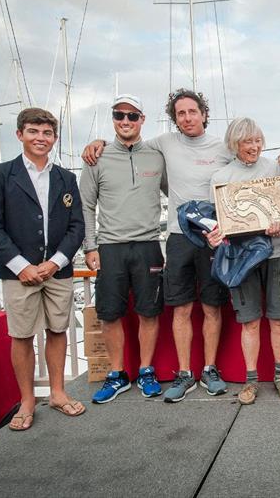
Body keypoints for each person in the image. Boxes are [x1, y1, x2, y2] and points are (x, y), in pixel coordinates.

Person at [82, 89, 232, 403]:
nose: (187, 118)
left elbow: (247, 167)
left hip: (213, 238)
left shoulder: (223, 148)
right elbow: (126, 144)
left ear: (204, 113)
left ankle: (209, 369)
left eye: (193, 111)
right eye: (181, 113)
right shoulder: (161, 144)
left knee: (212, 307)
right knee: (180, 309)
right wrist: (97, 142)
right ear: (174, 118)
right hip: (176, 237)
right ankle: (183, 373)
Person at [0, 107, 86, 430]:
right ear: (20, 135)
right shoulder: (0, 175)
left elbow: (77, 226)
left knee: (58, 330)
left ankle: (57, 392)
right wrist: (21, 265)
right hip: (19, 272)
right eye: (33, 132)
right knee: (22, 335)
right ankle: (27, 401)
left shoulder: (65, 177)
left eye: (46, 133)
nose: (41, 138)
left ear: (54, 138)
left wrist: (56, 262)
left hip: (58, 270)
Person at [80, 94, 166, 403]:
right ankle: (117, 375)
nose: (126, 121)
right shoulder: (96, 158)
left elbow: (178, 191)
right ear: (113, 119)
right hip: (110, 247)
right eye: (120, 115)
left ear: (143, 119)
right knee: (109, 314)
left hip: (148, 245)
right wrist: (90, 247)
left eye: (132, 116)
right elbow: (86, 207)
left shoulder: (157, 156)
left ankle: (145, 370)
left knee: (149, 312)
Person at [205, 117, 280, 405]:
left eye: (258, 141)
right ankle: (251, 380)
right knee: (250, 322)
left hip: (276, 250)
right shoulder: (221, 178)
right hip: (240, 256)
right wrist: (214, 236)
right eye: (247, 142)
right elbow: (217, 224)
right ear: (235, 144)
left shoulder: (275, 168)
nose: (254, 147)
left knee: (279, 320)